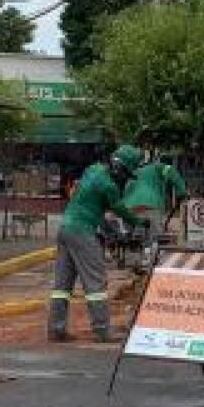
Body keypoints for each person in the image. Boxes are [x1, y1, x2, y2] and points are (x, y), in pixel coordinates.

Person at [48, 145, 144, 343]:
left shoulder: (93, 170)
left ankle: (56, 329)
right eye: (126, 174)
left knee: (62, 285)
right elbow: (118, 208)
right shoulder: (108, 185)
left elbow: (93, 204)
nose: (125, 178)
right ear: (121, 169)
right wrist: (138, 222)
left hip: (65, 228)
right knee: (96, 283)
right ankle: (102, 330)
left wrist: (107, 228)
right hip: (82, 232)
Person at [121, 152, 188, 245]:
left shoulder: (133, 174)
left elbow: (126, 193)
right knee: (155, 241)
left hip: (129, 208)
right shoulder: (157, 167)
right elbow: (170, 171)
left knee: (134, 241)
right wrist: (181, 191)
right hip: (150, 205)